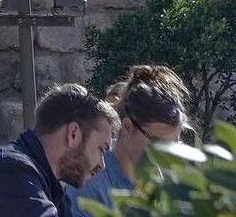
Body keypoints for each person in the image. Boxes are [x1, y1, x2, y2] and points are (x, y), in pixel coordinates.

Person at [0, 83, 118, 217]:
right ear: (73, 133)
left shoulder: (46, 185)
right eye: (102, 148)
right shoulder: (8, 170)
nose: (102, 164)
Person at [67, 65, 190, 210]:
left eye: (173, 145)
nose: (164, 155)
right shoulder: (88, 184)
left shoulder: (169, 183)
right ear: (127, 127)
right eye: (157, 143)